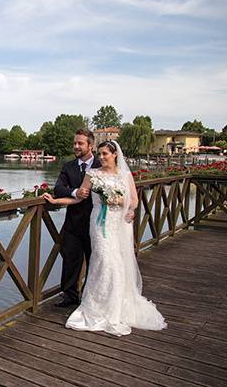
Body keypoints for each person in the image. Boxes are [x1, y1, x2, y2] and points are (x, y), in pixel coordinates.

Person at [43, 140, 167, 336]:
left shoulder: (125, 175)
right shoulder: (93, 174)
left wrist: (125, 206)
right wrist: (56, 200)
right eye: (99, 154)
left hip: (119, 224)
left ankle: (117, 305)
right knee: (103, 259)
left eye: (105, 154)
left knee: (117, 261)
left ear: (115, 154)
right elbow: (78, 198)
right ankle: (98, 305)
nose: (101, 158)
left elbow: (133, 200)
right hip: (99, 225)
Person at [53, 128, 101, 307]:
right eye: (75, 143)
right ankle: (70, 295)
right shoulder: (68, 166)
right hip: (73, 222)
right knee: (70, 259)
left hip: (95, 222)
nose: (76, 146)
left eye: (80, 143)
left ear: (91, 145)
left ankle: (91, 296)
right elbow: (58, 188)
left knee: (94, 261)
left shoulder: (101, 164)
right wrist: (75, 191)